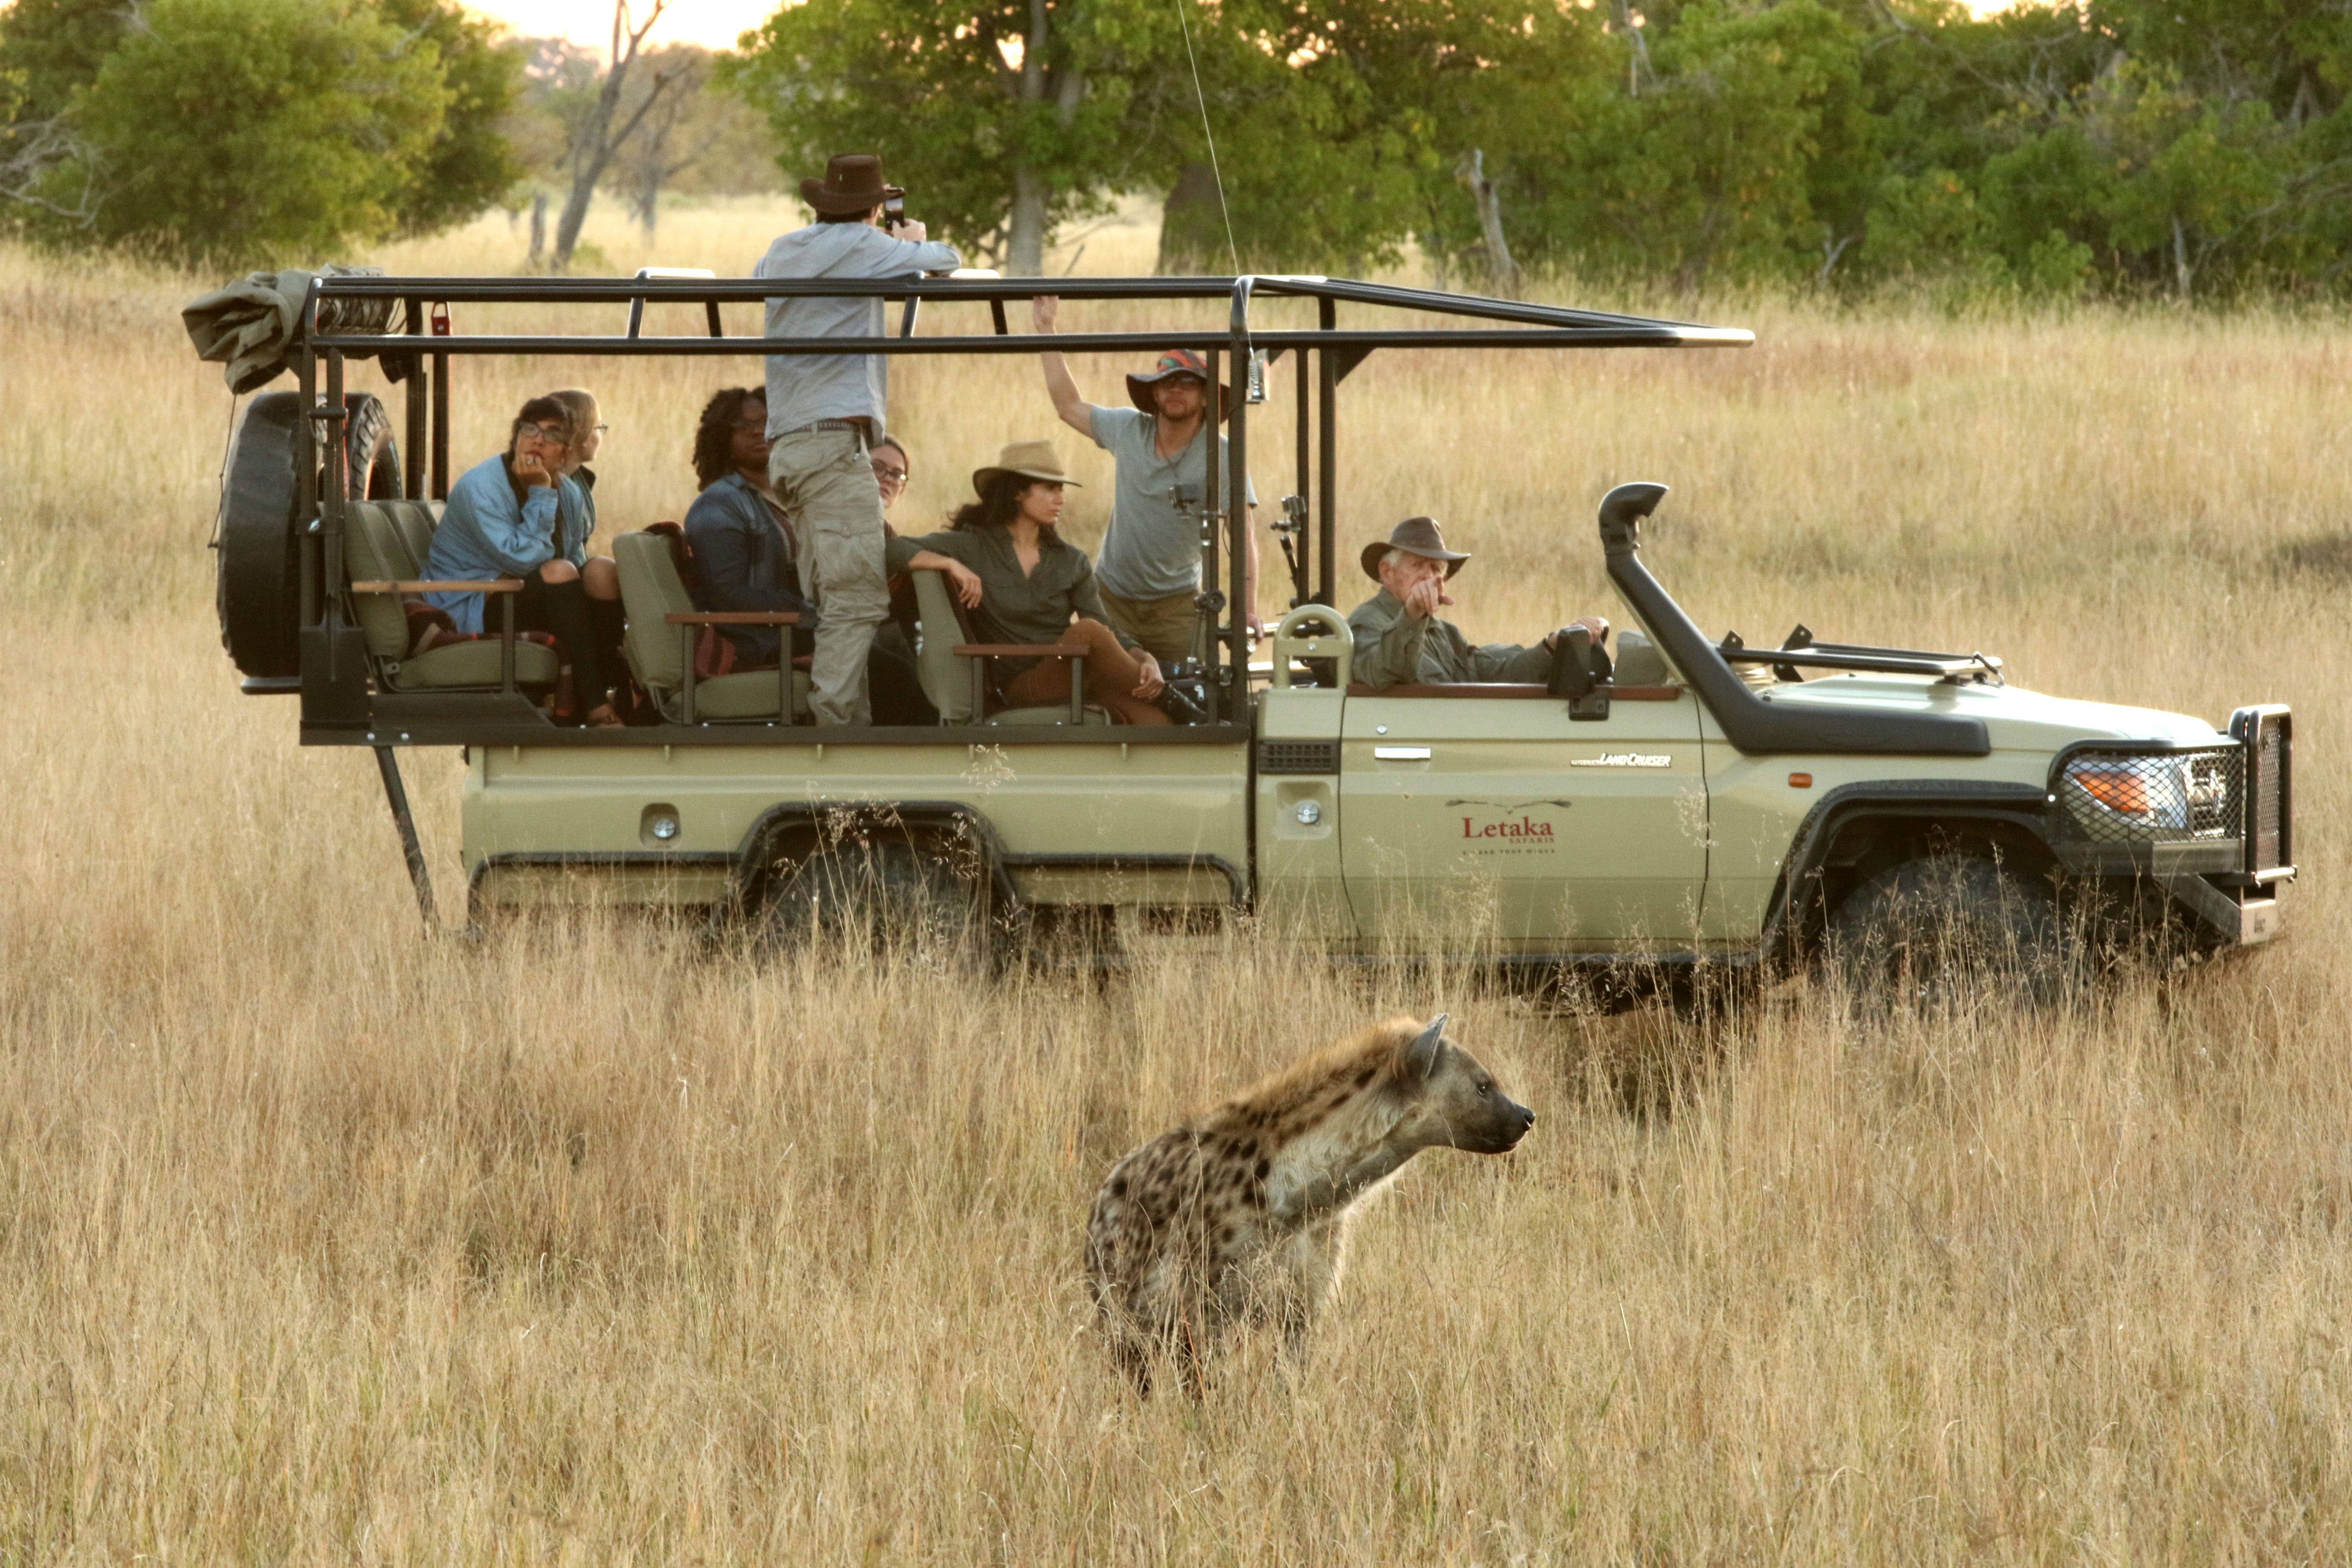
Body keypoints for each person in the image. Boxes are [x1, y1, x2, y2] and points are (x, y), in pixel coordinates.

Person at [756, 152, 960, 727]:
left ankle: (843, 721)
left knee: (833, 595)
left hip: (791, 446)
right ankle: (838, 727)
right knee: (858, 599)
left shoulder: (784, 247)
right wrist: (912, 239)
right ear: (873, 209)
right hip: (830, 442)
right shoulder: (866, 245)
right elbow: (946, 258)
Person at [681, 387, 936, 724]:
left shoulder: (792, 494)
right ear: (722, 437)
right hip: (761, 638)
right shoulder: (720, 505)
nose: (760, 431)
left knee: (901, 657)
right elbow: (728, 595)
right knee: (891, 673)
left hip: (801, 626)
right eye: (744, 425)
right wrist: (809, 614)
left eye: (769, 422)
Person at [1033, 296, 1261, 664]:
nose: (1175, 389)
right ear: (1153, 392)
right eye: (1166, 381)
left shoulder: (1222, 454)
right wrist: (1046, 329)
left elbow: (1243, 533)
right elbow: (1068, 406)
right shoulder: (1128, 429)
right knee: (1103, 692)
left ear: (1205, 396)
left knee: (1196, 695)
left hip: (1178, 605)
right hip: (1111, 597)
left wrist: (1247, 609)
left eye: (1187, 382)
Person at [887, 442, 1175, 726]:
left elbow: (1106, 628)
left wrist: (1146, 658)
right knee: (1086, 632)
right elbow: (891, 550)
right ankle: (1174, 698)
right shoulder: (974, 546)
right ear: (1017, 492)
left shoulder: (1070, 560)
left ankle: (1168, 701)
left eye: (1061, 490)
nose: (1060, 498)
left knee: (1158, 722)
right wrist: (949, 563)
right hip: (1015, 687)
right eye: (1050, 489)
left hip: (1071, 674)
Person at [423, 395, 622, 726]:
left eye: (553, 434)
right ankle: (597, 708)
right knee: (559, 572)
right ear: (516, 438)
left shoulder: (570, 492)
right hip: (470, 600)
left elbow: (576, 561)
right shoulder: (481, 488)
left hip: (530, 595)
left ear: (567, 451)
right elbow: (521, 561)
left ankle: (615, 691)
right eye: (530, 430)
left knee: (601, 570)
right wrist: (541, 493)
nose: (539, 440)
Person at [1347, 516, 1606, 690]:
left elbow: (1495, 673)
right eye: (1417, 565)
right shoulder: (1366, 622)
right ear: (1387, 572)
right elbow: (1385, 672)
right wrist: (1411, 615)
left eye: (1436, 568)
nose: (1429, 576)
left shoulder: (1446, 634)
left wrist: (1553, 645)